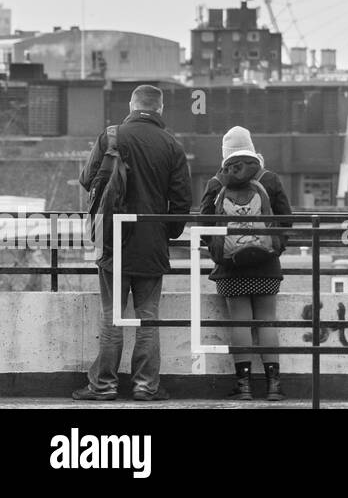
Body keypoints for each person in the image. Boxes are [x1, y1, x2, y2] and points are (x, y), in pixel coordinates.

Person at [72, 84, 192, 402]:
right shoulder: (172, 146)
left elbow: (87, 179)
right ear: (160, 109)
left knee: (112, 315)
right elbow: (181, 201)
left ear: (132, 104)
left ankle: (104, 386)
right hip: (151, 243)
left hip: (112, 241)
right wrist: (167, 233)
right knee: (147, 316)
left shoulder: (111, 135)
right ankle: (145, 386)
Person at [200, 126, 293, 401]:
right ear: (252, 150)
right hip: (266, 265)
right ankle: (274, 387)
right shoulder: (270, 178)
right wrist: (274, 249)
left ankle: (243, 387)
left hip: (231, 267)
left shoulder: (216, 183)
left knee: (240, 322)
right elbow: (286, 220)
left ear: (225, 155)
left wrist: (221, 252)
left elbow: (204, 226)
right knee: (266, 322)